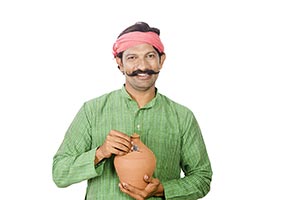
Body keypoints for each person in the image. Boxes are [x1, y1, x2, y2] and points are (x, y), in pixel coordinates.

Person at [52, 22, 213, 200]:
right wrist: (100, 153)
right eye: (132, 58)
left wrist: (163, 190)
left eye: (150, 56)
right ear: (119, 63)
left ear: (162, 60)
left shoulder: (182, 117)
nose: (142, 65)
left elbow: (202, 178)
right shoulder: (92, 111)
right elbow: (59, 173)